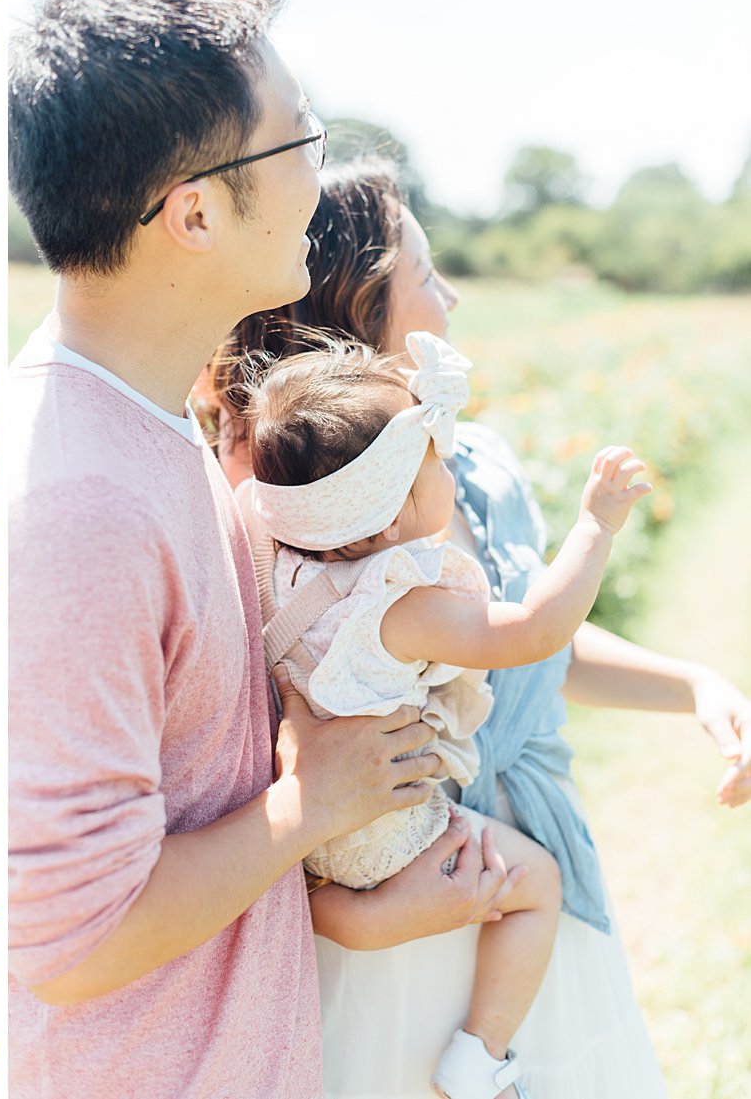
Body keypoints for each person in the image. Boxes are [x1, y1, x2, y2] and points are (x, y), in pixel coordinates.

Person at [216, 159, 751, 1097]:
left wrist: (698, 685)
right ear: (363, 307)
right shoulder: (276, 521)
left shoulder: (479, 468)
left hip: (519, 859)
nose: (452, 291)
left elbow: (531, 644)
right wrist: (345, 912)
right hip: (393, 892)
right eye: (425, 272)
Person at [7, 0, 449, 1095]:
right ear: (194, 214)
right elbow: (72, 941)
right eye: (300, 135)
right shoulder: (81, 504)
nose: (319, 171)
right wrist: (313, 804)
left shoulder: (151, 423)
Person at [246, 330, 652, 1098]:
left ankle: (335, 911)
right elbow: (533, 630)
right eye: (433, 459)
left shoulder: (286, 567)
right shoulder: (399, 600)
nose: (449, 464)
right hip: (389, 827)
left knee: (381, 889)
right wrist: (595, 525)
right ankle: (481, 1053)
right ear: (386, 521)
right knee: (537, 882)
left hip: (319, 825)